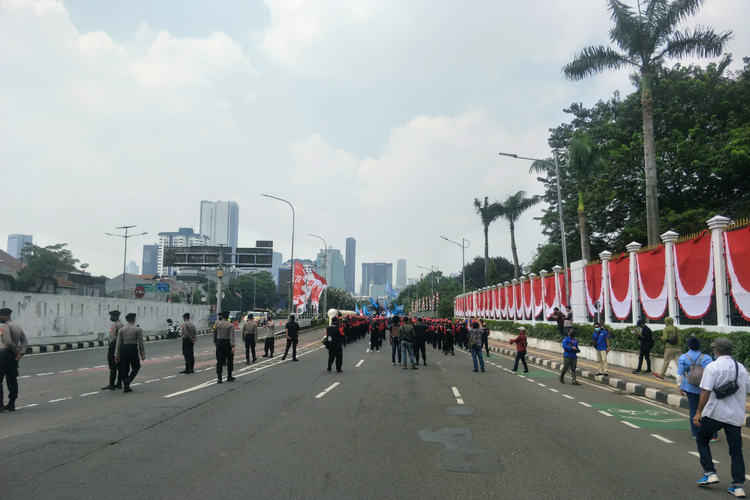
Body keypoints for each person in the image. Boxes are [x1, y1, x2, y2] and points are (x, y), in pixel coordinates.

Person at [693, 338, 750, 497]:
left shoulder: (712, 367)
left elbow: (705, 391)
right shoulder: (741, 368)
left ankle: (710, 472)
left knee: (702, 439)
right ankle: (738, 486)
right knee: (736, 451)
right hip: (735, 416)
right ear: (731, 351)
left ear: (716, 351)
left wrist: (698, 412)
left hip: (715, 414)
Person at [678, 337, 717, 441]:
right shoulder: (707, 357)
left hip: (689, 387)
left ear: (688, 346)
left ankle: (696, 434)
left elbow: (680, 375)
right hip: (706, 387)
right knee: (708, 410)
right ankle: (713, 436)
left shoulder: (683, 357)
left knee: (694, 410)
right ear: (700, 346)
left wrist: (680, 386)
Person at [0, 308, 28, 412]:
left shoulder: (5, 327)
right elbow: (24, 341)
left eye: (1, 316)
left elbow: (7, 342)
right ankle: (12, 403)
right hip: (13, 357)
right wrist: (20, 352)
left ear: (7, 316)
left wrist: (17, 351)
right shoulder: (18, 326)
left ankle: (0, 405)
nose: (0, 318)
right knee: (12, 379)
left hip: (4, 354)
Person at [114, 313, 145, 393]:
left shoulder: (122, 329)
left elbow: (118, 343)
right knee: (136, 367)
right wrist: (142, 353)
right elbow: (140, 342)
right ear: (134, 320)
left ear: (127, 320)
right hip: (133, 348)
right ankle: (129, 380)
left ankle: (126, 387)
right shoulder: (137, 329)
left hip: (124, 349)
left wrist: (117, 355)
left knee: (125, 368)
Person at [102, 310, 124, 390]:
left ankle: (111, 384)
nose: (111, 318)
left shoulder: (115, 325)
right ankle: (119, 383)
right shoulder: (122, 325)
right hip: (121, 346)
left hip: (114, 345)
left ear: (115, 317)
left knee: (113, 365)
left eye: (112, 316)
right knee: (119, 365)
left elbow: (113, 337)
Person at [214, 311, 235, 383]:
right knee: (229, 360)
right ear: (228, 317)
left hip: (219, 342)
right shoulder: (230, 325)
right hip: (227, 342)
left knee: (219, 360)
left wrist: (216, 342)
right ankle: (229, 376)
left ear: (222, 316)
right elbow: (232, 336)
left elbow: (215, 334)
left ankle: (219, 378)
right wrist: (233, 346)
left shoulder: (217, 324)